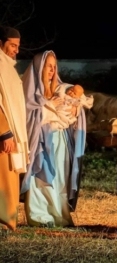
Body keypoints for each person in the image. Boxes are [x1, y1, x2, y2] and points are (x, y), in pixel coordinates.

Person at [21, 50, 87, 227]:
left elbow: (77, 98)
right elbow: (28, 115)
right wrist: (48, 106)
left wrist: (75, 109)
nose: (51, 70)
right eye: (48, 66)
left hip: (61, 141)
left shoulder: (61, 88)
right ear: (39, 67)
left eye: (54, 66)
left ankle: (60, 215)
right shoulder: (31, 93)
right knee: (40, 177)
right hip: (41, 141)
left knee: (60, 178)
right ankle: (40, 215)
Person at [0, 25, 29, 233]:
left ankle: (8, 223)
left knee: (10, 180)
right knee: (3, 181)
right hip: (4, 135)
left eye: (18, 46)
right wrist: (4, 131)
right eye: (12, 45)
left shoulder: (8, 67)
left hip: (12, 136)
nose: (16, 50)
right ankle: (3, 223)